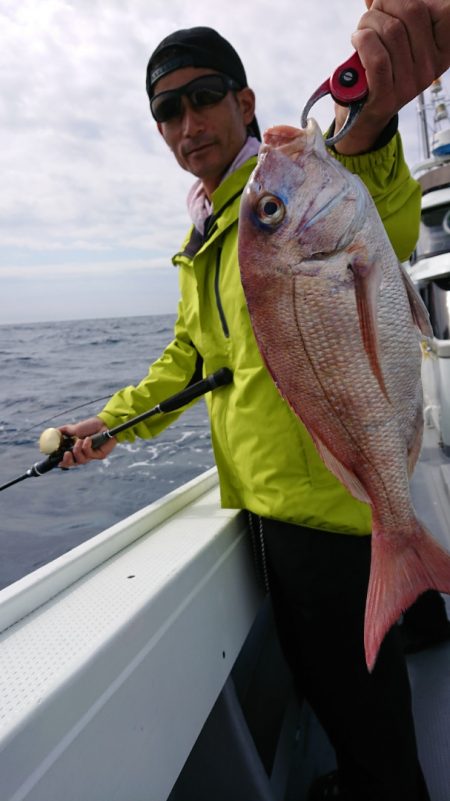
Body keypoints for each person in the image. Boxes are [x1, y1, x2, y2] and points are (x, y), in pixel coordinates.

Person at [60, 2, 450, 799]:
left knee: (369, 714)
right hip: (268, 510)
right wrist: (112, 421)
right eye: (167, 110)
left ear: (245, 101)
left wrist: (373, 122)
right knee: (329, 689)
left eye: (203, 97)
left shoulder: (288, 194)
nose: (187, 123)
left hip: (333, 514)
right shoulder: (206, 233)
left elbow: (388, 217)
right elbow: (189, 357)